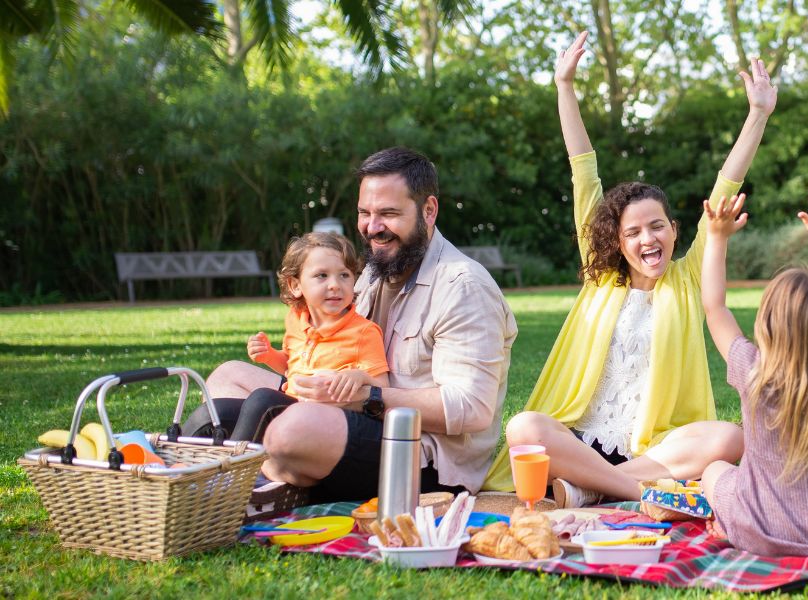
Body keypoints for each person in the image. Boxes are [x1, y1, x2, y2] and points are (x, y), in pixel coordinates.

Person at [486, 31, 776, 507]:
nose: (648, 239)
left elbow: (727, 186)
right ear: (617, 243)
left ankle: (586, 489)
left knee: (729, 438)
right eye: (634, 232)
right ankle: (634, 492)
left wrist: (758, 114)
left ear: (675, 231)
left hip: (653, 450)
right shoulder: (601, 276)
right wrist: (564, 87)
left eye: (657, 227)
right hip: (579, 438)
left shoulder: (687, 279)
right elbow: (584, 170)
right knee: (524, 427)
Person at [193, 147, 518, 508]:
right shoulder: (374, 273)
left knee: (291, 429)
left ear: (429, 210)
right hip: (343, 412)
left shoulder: (463, 286)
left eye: (389, 214)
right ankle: (251, 474)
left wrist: (367, 398)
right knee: (227, 378)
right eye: (365, 213)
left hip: (420, 456)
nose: (372, 227)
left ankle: (253, 483)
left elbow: (471, 409)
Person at [699, 190, 808, 557]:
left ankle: (724, 523)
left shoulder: (751, 369)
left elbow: (714, 308)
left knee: (714, 470)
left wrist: (717, 239)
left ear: (767, 321)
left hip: (757, 528)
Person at [181, 232, 389, 444]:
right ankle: (177, 458)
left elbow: (383, 385)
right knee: (217, 410)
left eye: (344, 275)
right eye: (322, 275)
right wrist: (269, 356)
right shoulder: (296, 319)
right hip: (292, 405)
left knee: (263, 400)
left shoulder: (363, 332)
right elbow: (292, 367)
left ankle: (234, 465)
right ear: (295, 285)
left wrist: (359, 377)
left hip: (328, 419)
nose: (335, 284)